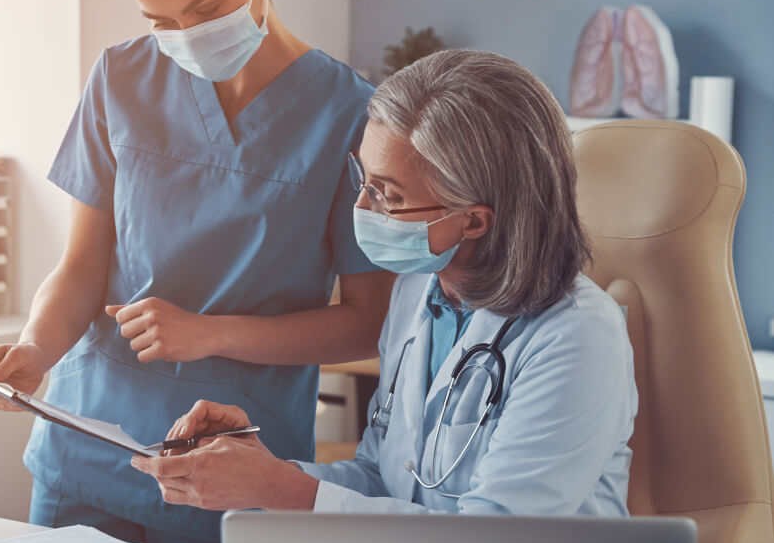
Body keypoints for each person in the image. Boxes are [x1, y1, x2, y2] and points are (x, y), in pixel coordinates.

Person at [0, 0, 394, 543]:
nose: (187, 37)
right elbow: (81, 265)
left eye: (207, 9)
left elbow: (366, 323)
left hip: (232, 473)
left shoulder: (350, 115)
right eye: (161, 19)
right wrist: (34, 349)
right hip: (85, 453)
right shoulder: (119, 78)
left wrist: (210, 333)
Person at [133, 49, 638, 517]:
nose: (362, 210)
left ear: (475, 221)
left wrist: (281, 491)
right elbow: (382, 479)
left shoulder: (577, 337)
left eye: (386, 195)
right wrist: (263, 473)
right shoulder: (419, 295)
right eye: (363, 181)